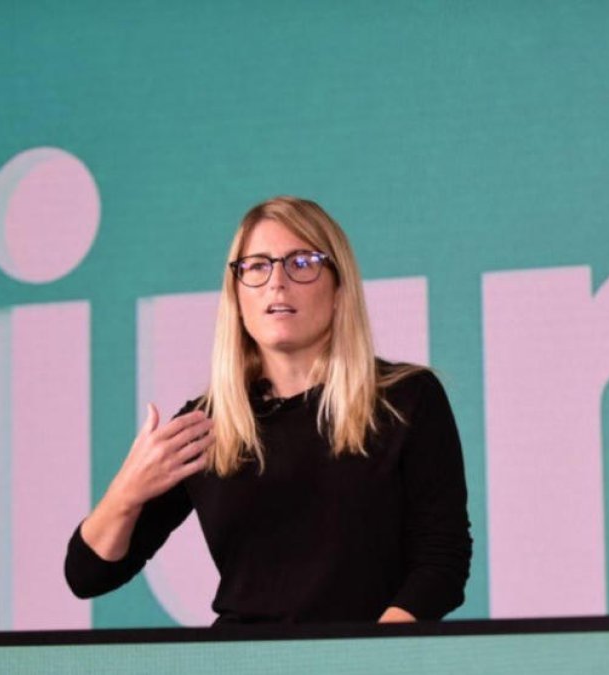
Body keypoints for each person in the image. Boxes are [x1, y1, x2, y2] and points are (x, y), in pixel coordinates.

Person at [64, 196, 472, 624]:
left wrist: (370, 655)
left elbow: (442, 561)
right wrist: (126, 492)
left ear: (338, 288)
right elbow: (87, 575)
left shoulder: (407, 399)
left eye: (301, 263)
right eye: (257, 266)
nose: (277, 281)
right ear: (237, 295)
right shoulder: (207, 424)